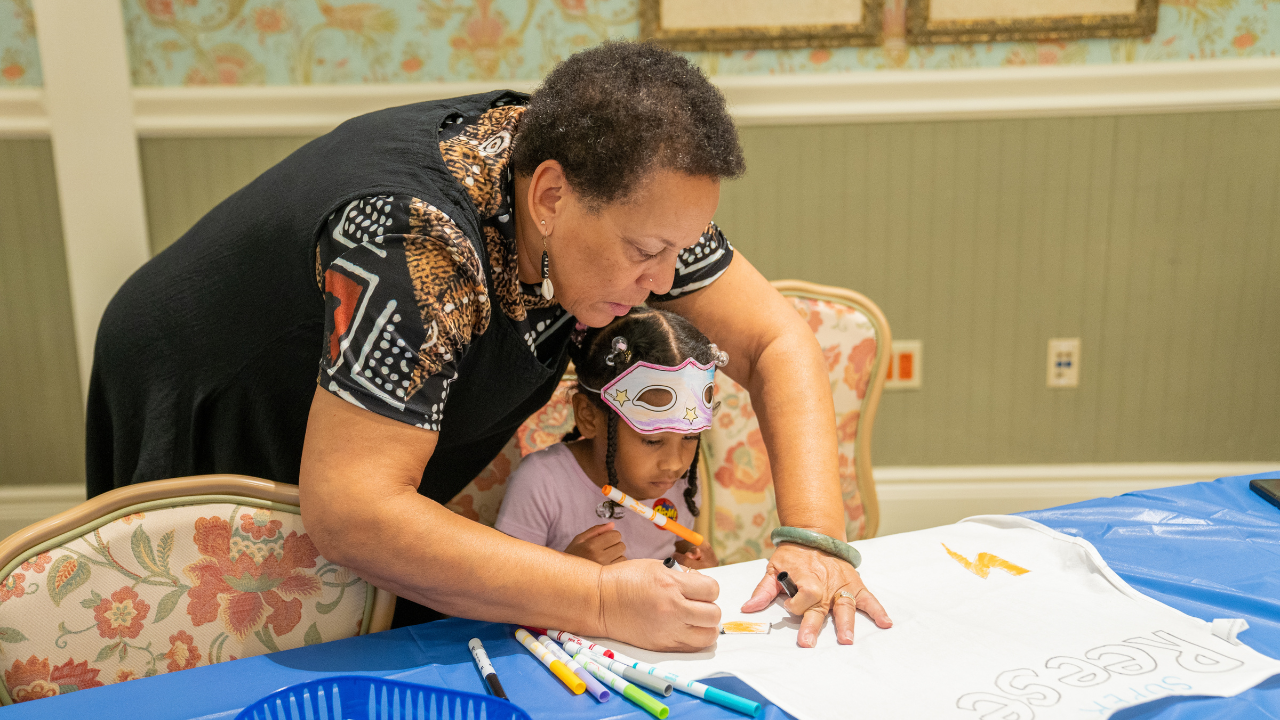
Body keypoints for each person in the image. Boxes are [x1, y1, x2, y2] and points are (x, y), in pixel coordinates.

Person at [87, 41, 891, 652]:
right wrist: (598, 599)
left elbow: (774, 339)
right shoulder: (415, 241)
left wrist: (812, 538)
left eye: (677, 250)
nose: (664, 281)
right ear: (550, 196)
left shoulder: (619, 184)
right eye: (647, 252)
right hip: (214, 389)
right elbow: (353, 511)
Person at [496, 307, 721, 569]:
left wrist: (701, 565)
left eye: (690, 437)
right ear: (589, 416)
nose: (674, 463)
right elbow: (505, 582)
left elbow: (681, 547)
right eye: (652, 441)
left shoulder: (681, 483)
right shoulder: (542, 481)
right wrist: (569, 570)